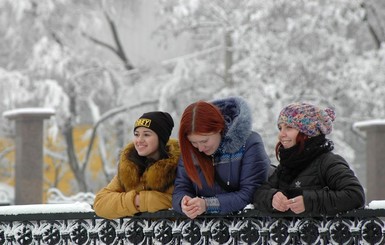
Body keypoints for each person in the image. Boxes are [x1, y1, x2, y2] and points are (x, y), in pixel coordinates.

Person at [253, 102, 365, 215]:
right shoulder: (286, 166)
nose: (281, 135)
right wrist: (272, 197)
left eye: (289, 128)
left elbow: (355, 195)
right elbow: (259, 193)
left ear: (307, 132)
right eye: (280, 128)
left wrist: (308, 202)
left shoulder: (328, 162)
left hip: (322, 232)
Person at [172, 96, 271, 219]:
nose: (200, 148)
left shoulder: (250, 143)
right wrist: (183, 202)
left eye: (204, 141)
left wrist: (208, 205)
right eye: (194, 142)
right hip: (207, 232)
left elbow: (251, 193)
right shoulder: (191, 151)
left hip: (248, 228)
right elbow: (181, 188)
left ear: (218, 128)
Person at [94, 111, 180, 219]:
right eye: (136, 134)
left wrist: (140, 201)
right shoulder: (130, 167)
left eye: (146, 134)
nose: (139, 140)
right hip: (139, 235)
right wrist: (136, 201)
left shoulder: (178, 166)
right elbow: (100, 203)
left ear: (161, 138)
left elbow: (182, 201)